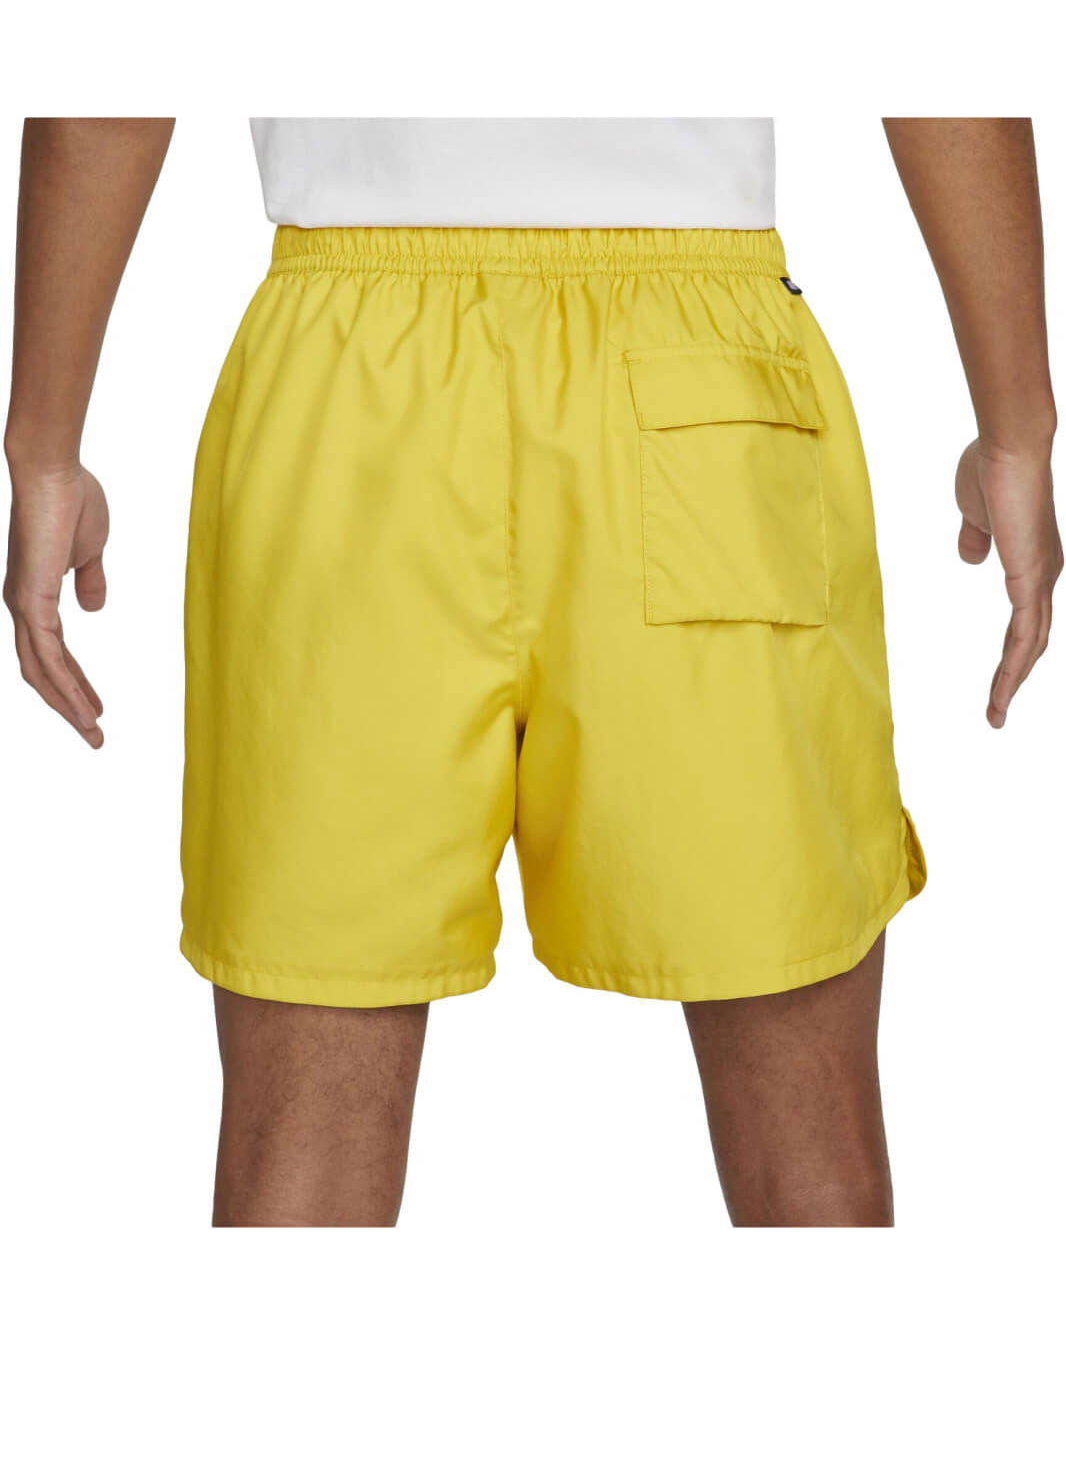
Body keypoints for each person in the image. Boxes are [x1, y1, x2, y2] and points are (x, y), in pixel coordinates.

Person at [4, 118, 1060, 1228]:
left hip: (348, 389)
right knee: (807, 1143)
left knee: (301, 1152)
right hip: (698, 384)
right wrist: (1015, 429)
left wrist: (43, 447)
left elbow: (99, 107)